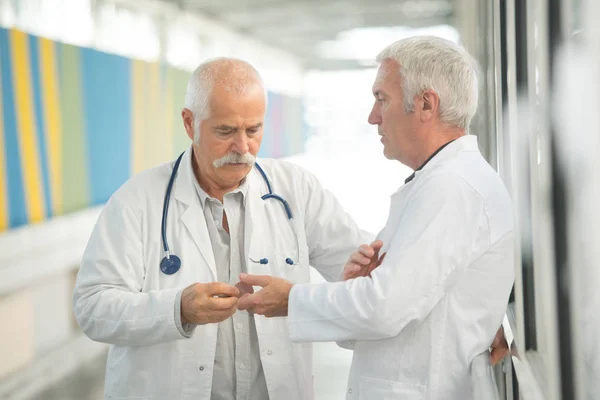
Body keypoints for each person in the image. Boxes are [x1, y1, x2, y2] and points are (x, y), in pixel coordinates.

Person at [237, 36, 515, 399]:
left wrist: (292, 299)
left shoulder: (453, 187)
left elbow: (384, 308)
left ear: (426, 104)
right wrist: (352, 287)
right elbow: (385, 315)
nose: (373, 116)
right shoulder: (437, 183)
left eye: (382, 98)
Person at [72, 57, 367, 400]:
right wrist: (177, 308)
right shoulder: (136, 201)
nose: (242, 147)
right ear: (189, 123)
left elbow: (357, 274)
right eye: (226, 131)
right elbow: (92, 307)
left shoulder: (296, 190)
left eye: (253, 129)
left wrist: (309, 298)